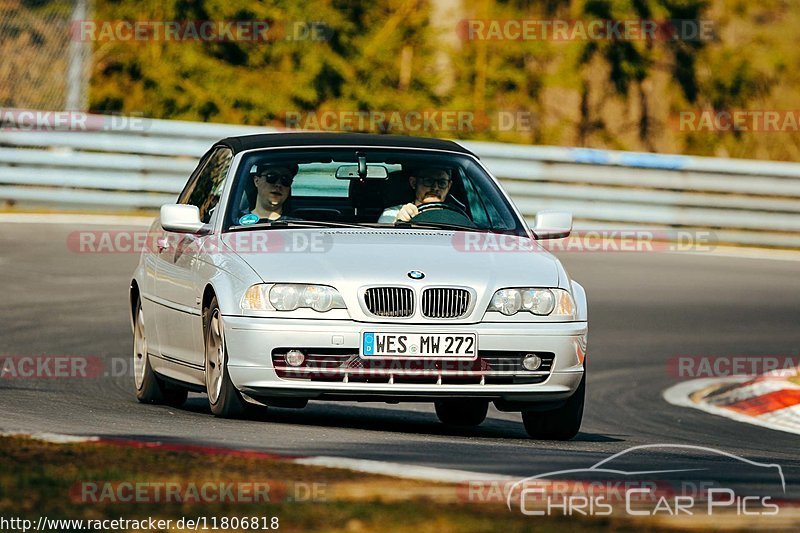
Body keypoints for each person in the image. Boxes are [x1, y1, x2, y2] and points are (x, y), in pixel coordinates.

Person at [378, 167, 453, 224]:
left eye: (442, 183)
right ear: (413, 183)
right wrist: (398, 223)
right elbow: (382, 242)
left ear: (449, 186)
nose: (435, 188)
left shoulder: (455, 217)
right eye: (428, 181)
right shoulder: (392, 213)